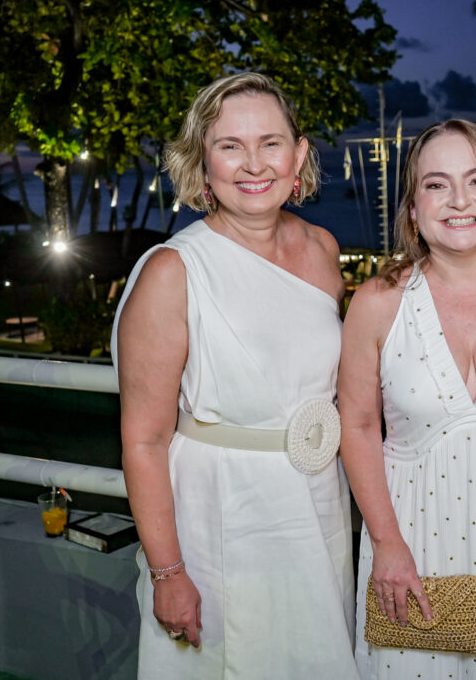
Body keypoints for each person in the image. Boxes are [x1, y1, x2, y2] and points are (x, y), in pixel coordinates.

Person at [111, 72, 358, 678]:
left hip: (320, 500)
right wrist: (168, 572)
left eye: (270, 143)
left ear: (298, 155)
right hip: (221, 515)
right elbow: (143, 439)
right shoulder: (173, 271)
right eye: (230, 145)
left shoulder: (324, 249)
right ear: (202, 162)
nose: (254, 164)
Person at [338, 119, 476, 678]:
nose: (459, 200)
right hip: (413, 541)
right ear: (413, 209)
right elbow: (358, 426)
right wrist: (385, 544)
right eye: (436, 185)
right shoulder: (379, 301)